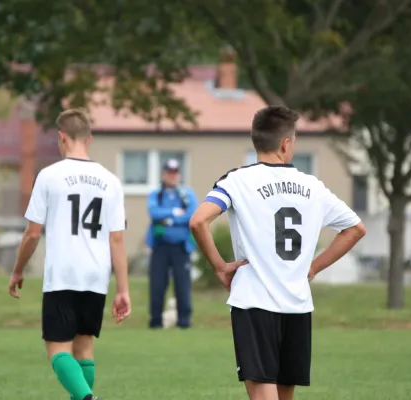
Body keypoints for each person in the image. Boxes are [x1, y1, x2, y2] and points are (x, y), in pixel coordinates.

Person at [189, 106, 366, 400]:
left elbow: (198, 221)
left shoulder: (237, 181)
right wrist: (313, 268)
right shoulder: (313, 186)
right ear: (286, 144)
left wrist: (220, 267)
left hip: (254, 304)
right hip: (297, 306)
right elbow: (355, 229)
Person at [8, 108, 131, 400]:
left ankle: (89, 399)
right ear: (88, 139)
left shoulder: (49, 176)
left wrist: (17, 270)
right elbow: (117, 240)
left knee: (57, 349)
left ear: (61, 137)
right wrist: (122, 290)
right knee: (84, 347)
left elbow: (33, 233)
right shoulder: (111, 181)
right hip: (96, 276)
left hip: (63, 274)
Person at [146, 159, 198, 329]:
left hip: (180, 246)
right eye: (169, 173)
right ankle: (155, 321)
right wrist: (174, 213)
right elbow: (154, 213)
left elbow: (191, 215)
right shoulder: (156, 194)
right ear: (163, 175)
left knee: (182, 285)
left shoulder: (187, 194)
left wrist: (167, 220)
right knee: (157, 285)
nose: (172, 176)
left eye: (175, 173)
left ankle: (184, 321)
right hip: (160, 246)